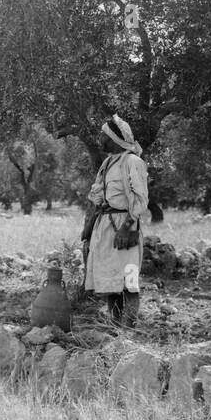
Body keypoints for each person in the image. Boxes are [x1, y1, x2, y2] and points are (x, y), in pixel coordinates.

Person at [82, 113, 149, 328]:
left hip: (125, 226)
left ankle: (128, 330)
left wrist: (127, 228)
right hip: (106, 226)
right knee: (111, 282)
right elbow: (97, 197)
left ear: (114, 139)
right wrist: (88, 229)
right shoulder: (108, 163)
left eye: (104, 136)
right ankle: (115, 327)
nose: (100, 140)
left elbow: (140, 200)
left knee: (129, 282)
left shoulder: (133, 162)